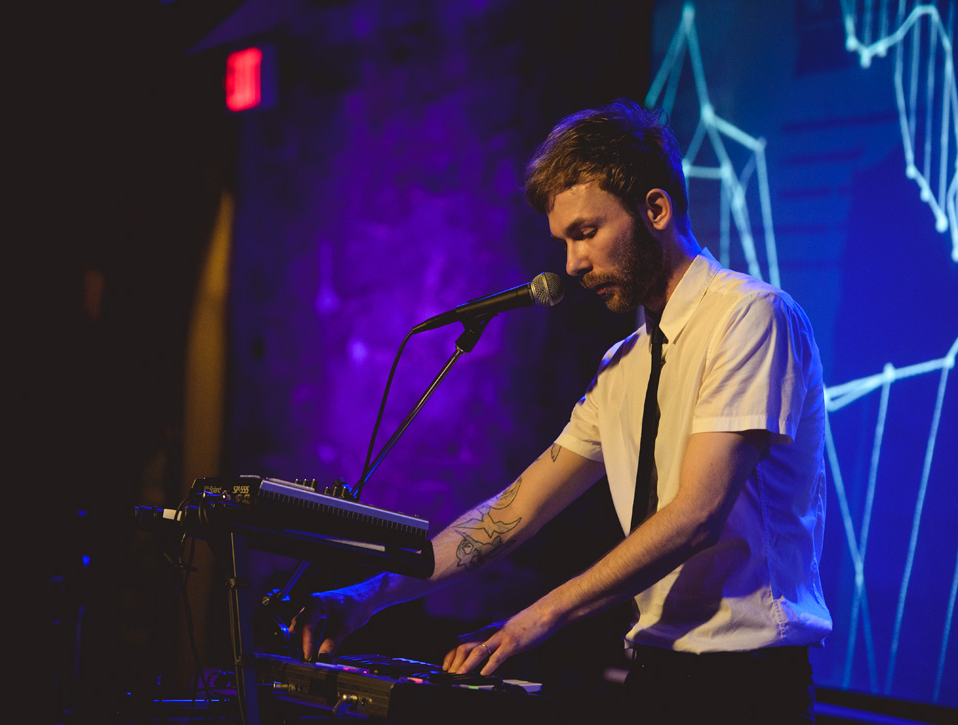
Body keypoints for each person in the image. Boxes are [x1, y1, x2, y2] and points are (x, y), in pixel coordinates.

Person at [291, 98, 832, 722]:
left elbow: (696, 516)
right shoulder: (623, 364)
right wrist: (367, 595)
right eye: (565, 241)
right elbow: (513, 511)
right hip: (656, 675)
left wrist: (535, 619)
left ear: (655, 209)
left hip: (748, 688)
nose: (572, 263)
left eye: (586, 232)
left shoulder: (749, 316)